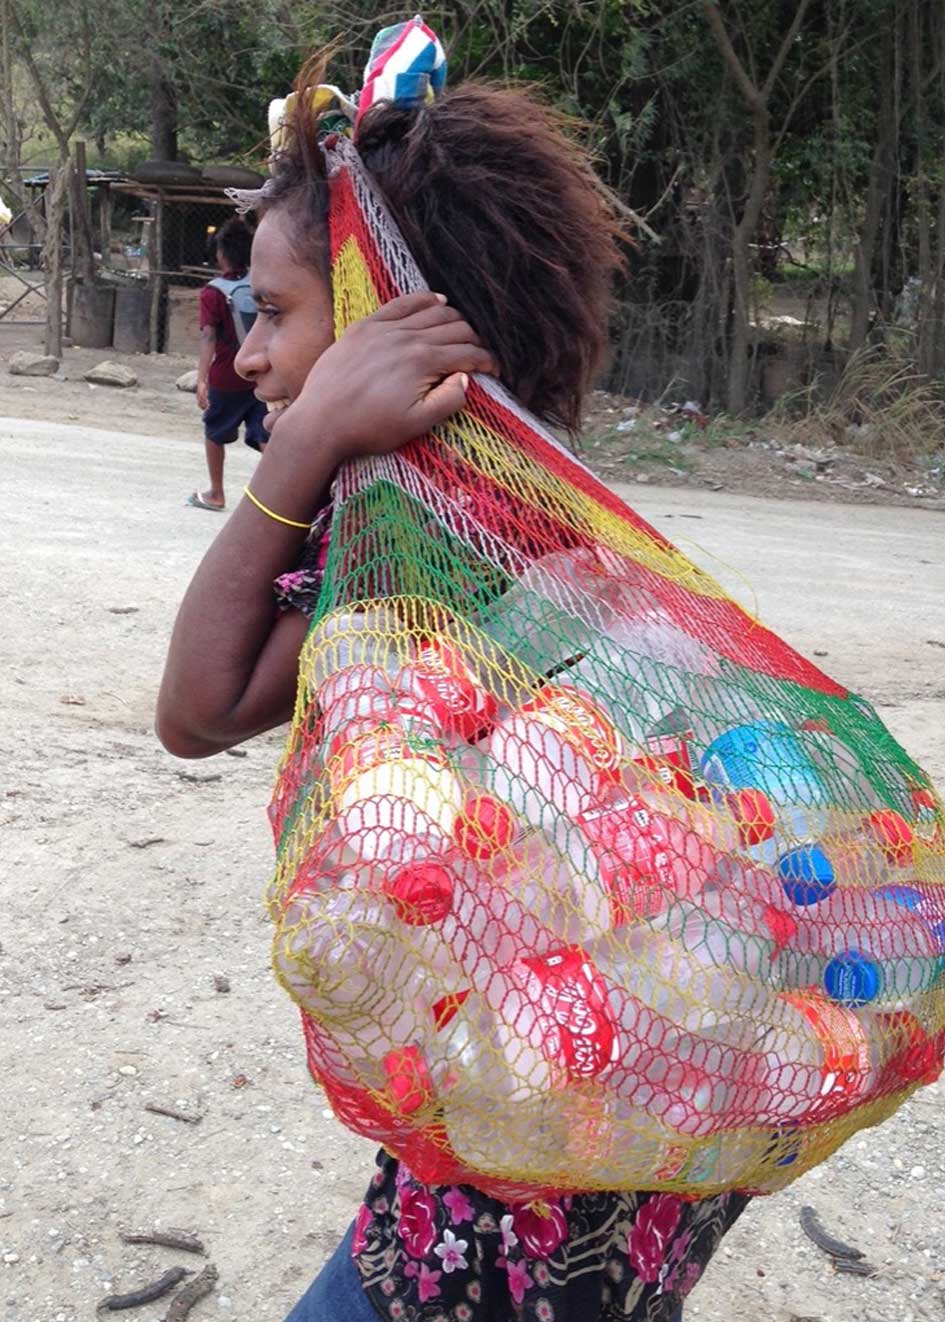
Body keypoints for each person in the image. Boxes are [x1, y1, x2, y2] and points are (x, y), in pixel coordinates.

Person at [158, 21, 749, 1322]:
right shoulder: (430, 522)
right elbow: (204, 711)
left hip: (527, 1180)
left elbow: (194, 709)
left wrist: (303, 436)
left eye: (279, 313)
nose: (249, 352)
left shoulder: (450, 544)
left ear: (381, 306)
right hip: (608, 1140)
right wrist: (316, 441)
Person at [187, 216, 269, 512]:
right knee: (264, 434)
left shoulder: (213, 292)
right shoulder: (263, 285)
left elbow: (208, 336)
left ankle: (216, 493)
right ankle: (276, 497)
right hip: (262, 373)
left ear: (221, 253)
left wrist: (202, 379)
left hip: (226, 374)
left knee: (214, 431)